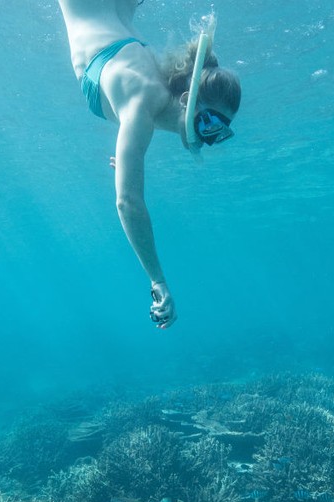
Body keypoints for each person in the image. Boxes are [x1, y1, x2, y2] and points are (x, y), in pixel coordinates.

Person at [56, 0, 242, 329]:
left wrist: (130, 157)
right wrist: (159, 283)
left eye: (219, 133)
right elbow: (127, 202)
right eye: (209, 123)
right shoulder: (142, 104)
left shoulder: (153, 100)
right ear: (187, 100)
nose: (207, 137)